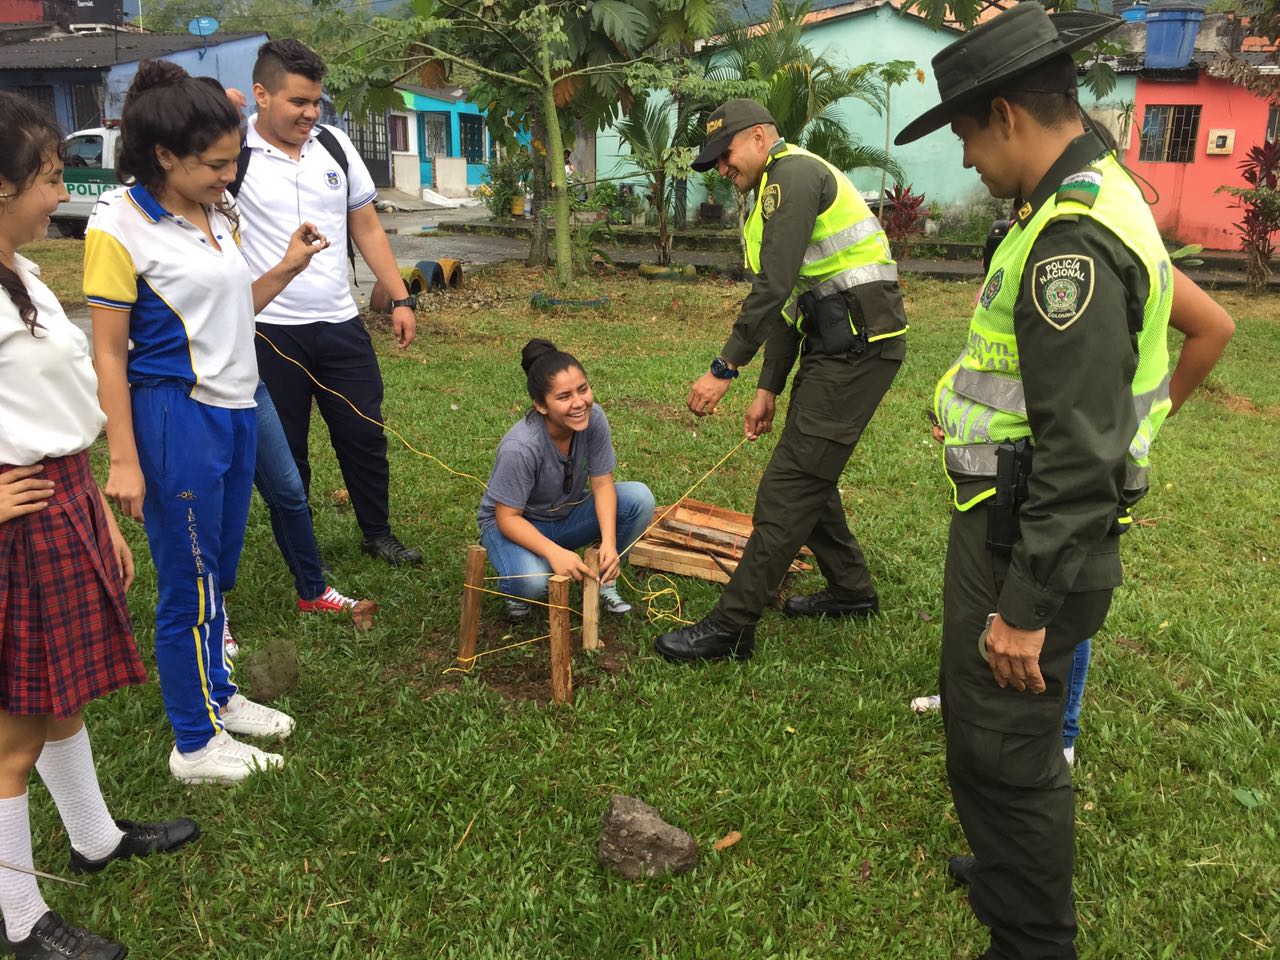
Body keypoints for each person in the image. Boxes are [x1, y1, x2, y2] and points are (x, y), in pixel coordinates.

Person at [895, 5, 1215, 956]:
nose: (964, 161)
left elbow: (1080, 453)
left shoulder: (1070, 242)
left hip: (1022, 538)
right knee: (1006, 741)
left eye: (963, 135)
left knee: (1002, 750)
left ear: (1006, 115)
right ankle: (1008, 866)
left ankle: (1030, 937)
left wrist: (1026, 607)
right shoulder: (1101, 191)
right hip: (1019, 520)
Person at [87, 61, 329, 783]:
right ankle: (194, 742)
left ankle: (219, 698)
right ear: (166, 156)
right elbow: (107, 353)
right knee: (186, 584)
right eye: (216, 164)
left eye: (233, 163)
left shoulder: (212, 210)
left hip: (235, 410)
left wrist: (284, 269)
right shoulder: (117, 225)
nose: (230, 177)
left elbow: (228, 309)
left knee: (216, 575)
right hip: (174, 417)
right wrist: (123, 459)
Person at [0, 90, 198, 960]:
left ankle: (93, 837)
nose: (58, 194)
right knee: (11, 736)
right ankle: (17, 920)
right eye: (46, 179)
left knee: (58, 699)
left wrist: (93, 506)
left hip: (60, 493)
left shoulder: (21, 272)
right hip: (17, 519)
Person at [910, 270, 1234, 766]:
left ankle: (1062, 731)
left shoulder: (1101, 239)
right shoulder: (1028, 232)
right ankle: (966, 695)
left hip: (1069, 473)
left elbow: (1214, 326)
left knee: (1059, 596)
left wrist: (1153, 414)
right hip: (1007, 469)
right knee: (995, 590)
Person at [653, 98, 908, 663]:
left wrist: (725, 369)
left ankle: (732, 627)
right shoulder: (770, 194)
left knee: (787, 486)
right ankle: (851, 591)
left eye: (726, 154)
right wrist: (768, 386)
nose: (721, 169)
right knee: (808, 471)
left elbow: (771, 290)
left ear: (762, 136)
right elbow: (794, 303)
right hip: (835, 346)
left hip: (857, 350)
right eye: (714, 161)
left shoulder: (788, 177)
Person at [232, 38, 422, 566]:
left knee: (363, 432)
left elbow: (366, 223)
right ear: (261, 95)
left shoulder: (335, 146)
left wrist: (401, 297)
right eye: (298, 102)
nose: (311, 113)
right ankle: (302, 545)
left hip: (341, 321)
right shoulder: (235, 155)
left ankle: (378, 533)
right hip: (269, 328)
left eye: (316, 102)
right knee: (286, 449)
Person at [478, 340, 655, 619]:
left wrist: (609, 543)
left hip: (563, 515)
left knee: (639, 498)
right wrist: (553, 552)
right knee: (533, 581)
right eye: (564, 397)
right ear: (541, 405)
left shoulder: (593, 420)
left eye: (582, 389)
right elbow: (507, 518)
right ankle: (517, 587)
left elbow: (602, 483)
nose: (579, 403)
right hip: (512, 526)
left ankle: (604, 579)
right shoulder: (521, 447)